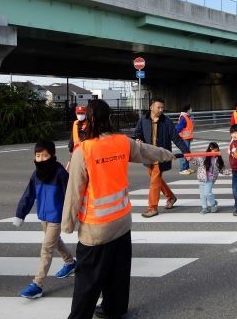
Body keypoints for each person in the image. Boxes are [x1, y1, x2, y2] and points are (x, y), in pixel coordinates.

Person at [62, 99, 177, 319]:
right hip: (122, 222)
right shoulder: (122, 142)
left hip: (96, 229)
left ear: (90, 119)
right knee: (118, 273)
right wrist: (167, 154)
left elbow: (74, 192)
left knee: (88, 281)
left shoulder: (84, 150)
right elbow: (146, 151)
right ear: (109, 118)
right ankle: (113, 310)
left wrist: (68, 224)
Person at [13, 139, 76, 299]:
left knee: (46, 248)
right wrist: (21, 214)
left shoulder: (60, 173)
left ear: (53, 155)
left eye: (45, 156)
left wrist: (73, 214)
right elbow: (28, 195)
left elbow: (71, 194)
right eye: (38, 156)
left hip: (56, 217)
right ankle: (70, 262)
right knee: (55, 242)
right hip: (43, 216)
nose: (41, 159)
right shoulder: (36, 175)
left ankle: (37, 284)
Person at [134, 98, 190, 218]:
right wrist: (138, 138)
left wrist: (187, 152)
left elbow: (176, 138)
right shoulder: (143, 120)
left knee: (154, 181)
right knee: (156, 178)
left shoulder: (167, 122)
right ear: (151, 107)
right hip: (148, 155)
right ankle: (171, 197)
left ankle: (152, 207)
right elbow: (137, 132)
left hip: (161, 155)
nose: (161, 110)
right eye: (158, 107)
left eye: (162, 108)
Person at [190, 142, 229, 214]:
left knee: (207, 193)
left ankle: (213, 204)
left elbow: (222, 170)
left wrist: (230, 172)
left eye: (216, 150)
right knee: (202, 195)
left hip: (210, 179)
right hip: (202, 178)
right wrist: (191, 159)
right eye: (212, 150)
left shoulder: (218, 159)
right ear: (209, 150)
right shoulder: (203, 157)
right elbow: (196, 162)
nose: (214, 152)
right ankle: (204, 208)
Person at [176, 104, 194, 175]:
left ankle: (187, 168)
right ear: (188, 109)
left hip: (187, 138)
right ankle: (182, 169)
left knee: (187, 153)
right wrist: (175, 134)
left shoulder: (187, 116)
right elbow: (179, 127)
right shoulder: (184, 117)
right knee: (184, 153)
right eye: (190, 108)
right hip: (184, 138)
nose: (191, 109)